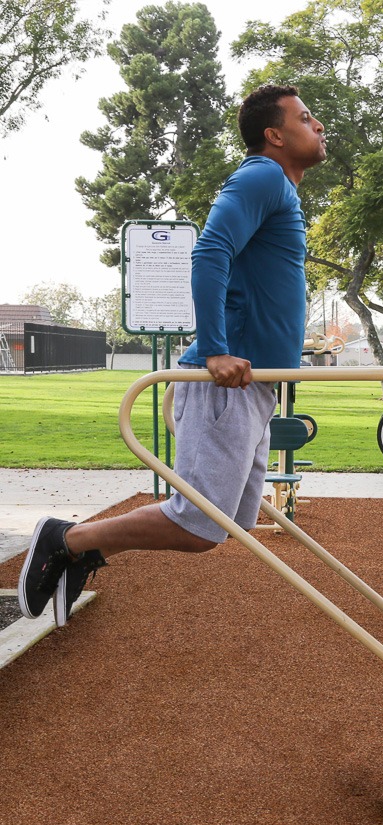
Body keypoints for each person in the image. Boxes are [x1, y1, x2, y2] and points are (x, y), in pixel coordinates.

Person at [18, 84, 326, 629]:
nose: (318, 125)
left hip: (253, 387)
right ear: (274, 135)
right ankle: (68, 539)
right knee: (198, 524)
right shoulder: (262, 174)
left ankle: (82, 549)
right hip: (224, 383)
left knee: (233, 520)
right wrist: (215, 350)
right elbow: (210, 251)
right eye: (305, 118)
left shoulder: (281, 189)